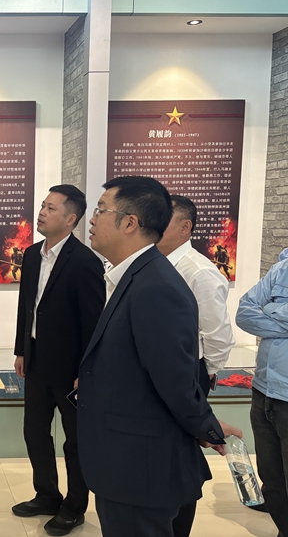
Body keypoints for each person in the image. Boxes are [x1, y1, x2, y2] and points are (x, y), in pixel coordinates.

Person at [78, 176, 226, 537]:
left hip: (140, 466)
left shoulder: (156, 286)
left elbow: (175, 380)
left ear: (130, 223)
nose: (92, 219)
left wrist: (206, 427)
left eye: (100, 210)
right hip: (125, 457)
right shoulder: (135, 276)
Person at [12, 184, 105, 536]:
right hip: (37, 361)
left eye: (51, 208)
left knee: (75, 441)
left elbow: (94, 323)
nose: (41, 212)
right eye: (42, 206)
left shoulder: (84, 262)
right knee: (34, 432)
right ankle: (47, 495)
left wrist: (87, 371)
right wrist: (21, 349)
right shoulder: (32, 254)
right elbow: (27, 307)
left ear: (70, 219)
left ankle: (74, 506)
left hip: (71, 370)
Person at [157, 195, 237, 535]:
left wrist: (201, 377)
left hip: (189, 375)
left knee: (180, 456)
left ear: (185, 227)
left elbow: (217, 336)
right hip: (163, 375)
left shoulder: (199, 271)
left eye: (163, 219)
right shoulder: (152, 264)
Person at [236, 257, 288, 537]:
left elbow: (257, 310)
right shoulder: (282, 267)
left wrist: (269, 309)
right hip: (263, 390)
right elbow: (244, 312)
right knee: (271, 480)